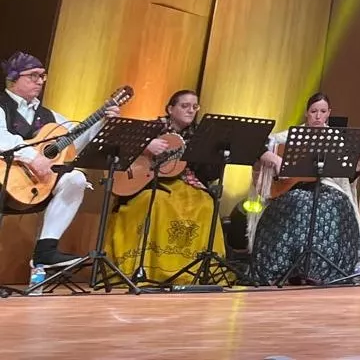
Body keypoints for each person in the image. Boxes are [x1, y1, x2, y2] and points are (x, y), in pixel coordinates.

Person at [1, 51, 117, 268]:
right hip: (4, 179)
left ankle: (46, 249)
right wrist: (33, 157)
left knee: (76, 179)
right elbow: (2, 138)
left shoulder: (51, 117)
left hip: (35, 184)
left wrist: (101, 122)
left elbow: (75, 143)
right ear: (13, 78)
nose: (39, 81)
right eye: (32, 75)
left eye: (42, 76)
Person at [247, 92, 360, 284]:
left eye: (322, 111)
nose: (318, 116)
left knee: (335, 204)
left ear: (329, 113)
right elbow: (256, 143)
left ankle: (322, 268)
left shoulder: (335, 138)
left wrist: (358, 159)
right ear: (306, 113)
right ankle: (286, 266)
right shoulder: (290, 135)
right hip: (291, 190)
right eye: (313, 111)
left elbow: (345, 175)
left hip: (326, 187)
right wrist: (276, 159)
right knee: (299, 204)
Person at [107, 90, 218, 283]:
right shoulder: (153, 127)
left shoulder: (199, 135)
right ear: (170, 109)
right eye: (185, 106)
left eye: (195, 106)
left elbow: (207, 172)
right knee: (158, 202)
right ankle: (151, 268)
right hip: (147, 184)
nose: (191, 110)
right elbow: (120, 142)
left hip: (183, 183)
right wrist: (146, 144)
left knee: (207, 203)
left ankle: (191, 269)